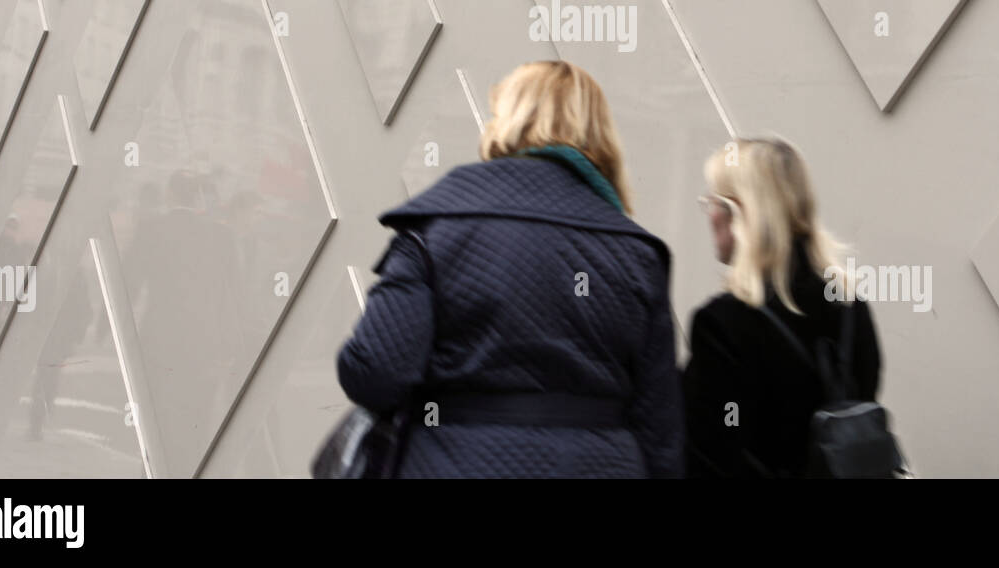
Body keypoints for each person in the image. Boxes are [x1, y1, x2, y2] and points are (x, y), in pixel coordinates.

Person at [336, 60, 682, 477]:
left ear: (508, 119)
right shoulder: (637, 253)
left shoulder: (438, 225)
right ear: (599, 133)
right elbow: (661, 425)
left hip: (455, 461)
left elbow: (375, 370)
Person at [682, 136, 881, 477]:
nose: (709, 213)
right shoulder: (849, 306)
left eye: (712, 201)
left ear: (738, 213)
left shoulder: (724, 323)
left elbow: (710, 452)